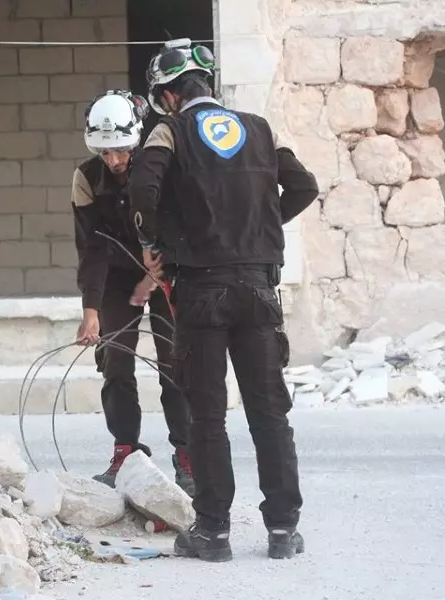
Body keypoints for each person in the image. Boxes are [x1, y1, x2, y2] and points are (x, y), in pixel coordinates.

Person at [129, 39, 320, 562]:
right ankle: (282, 529)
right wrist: (259, 229)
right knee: (269, 412)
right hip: (259, 288)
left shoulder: (169, 131)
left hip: (201, 292)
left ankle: (213, 532)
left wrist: (157, 244)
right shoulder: (259, 128)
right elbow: (304, 187)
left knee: (206, 415)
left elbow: (142, 193)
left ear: (169, 95)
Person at [71, 89, 194, 496]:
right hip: (117, 278)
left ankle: (188, 453)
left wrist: (155, 276)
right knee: (116, 362)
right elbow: (90, 248)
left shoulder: (159, 167)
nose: (114, 160)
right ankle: (125, 450)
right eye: (105, 152)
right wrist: (91, 309)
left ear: (136, 140)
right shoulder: (86, 179)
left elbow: (177, 226)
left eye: (121, 150)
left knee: (175, 362)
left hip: (167, 271)